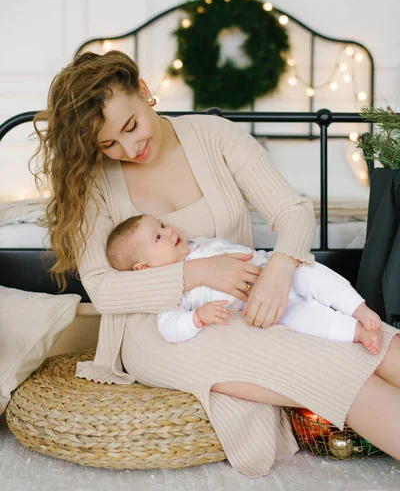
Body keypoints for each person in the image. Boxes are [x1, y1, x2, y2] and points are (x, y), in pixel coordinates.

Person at [32, 50, 400, 478]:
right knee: (332, 365)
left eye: (130, 126)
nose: (128, 149)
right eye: (108, 143)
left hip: (251, 297)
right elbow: (103, 287)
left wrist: (279, 271)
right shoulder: (94, 180)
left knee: (377, 338)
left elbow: (293, 211)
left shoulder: (213, 135)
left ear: (145, 93)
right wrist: (196, 274)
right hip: (164, 330)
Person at [106, 214, 383, 352]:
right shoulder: (171, 292)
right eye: (157, 238)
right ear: (144, 268)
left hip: (275, 271)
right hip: (267, 309)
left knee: (312, 273)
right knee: (306, 320)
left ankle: (359, 308)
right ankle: (357, 332)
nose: (168, 232)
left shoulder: (198, 243)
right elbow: (168, 327)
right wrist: (197, 318)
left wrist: (274, 267)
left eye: (163, 226)